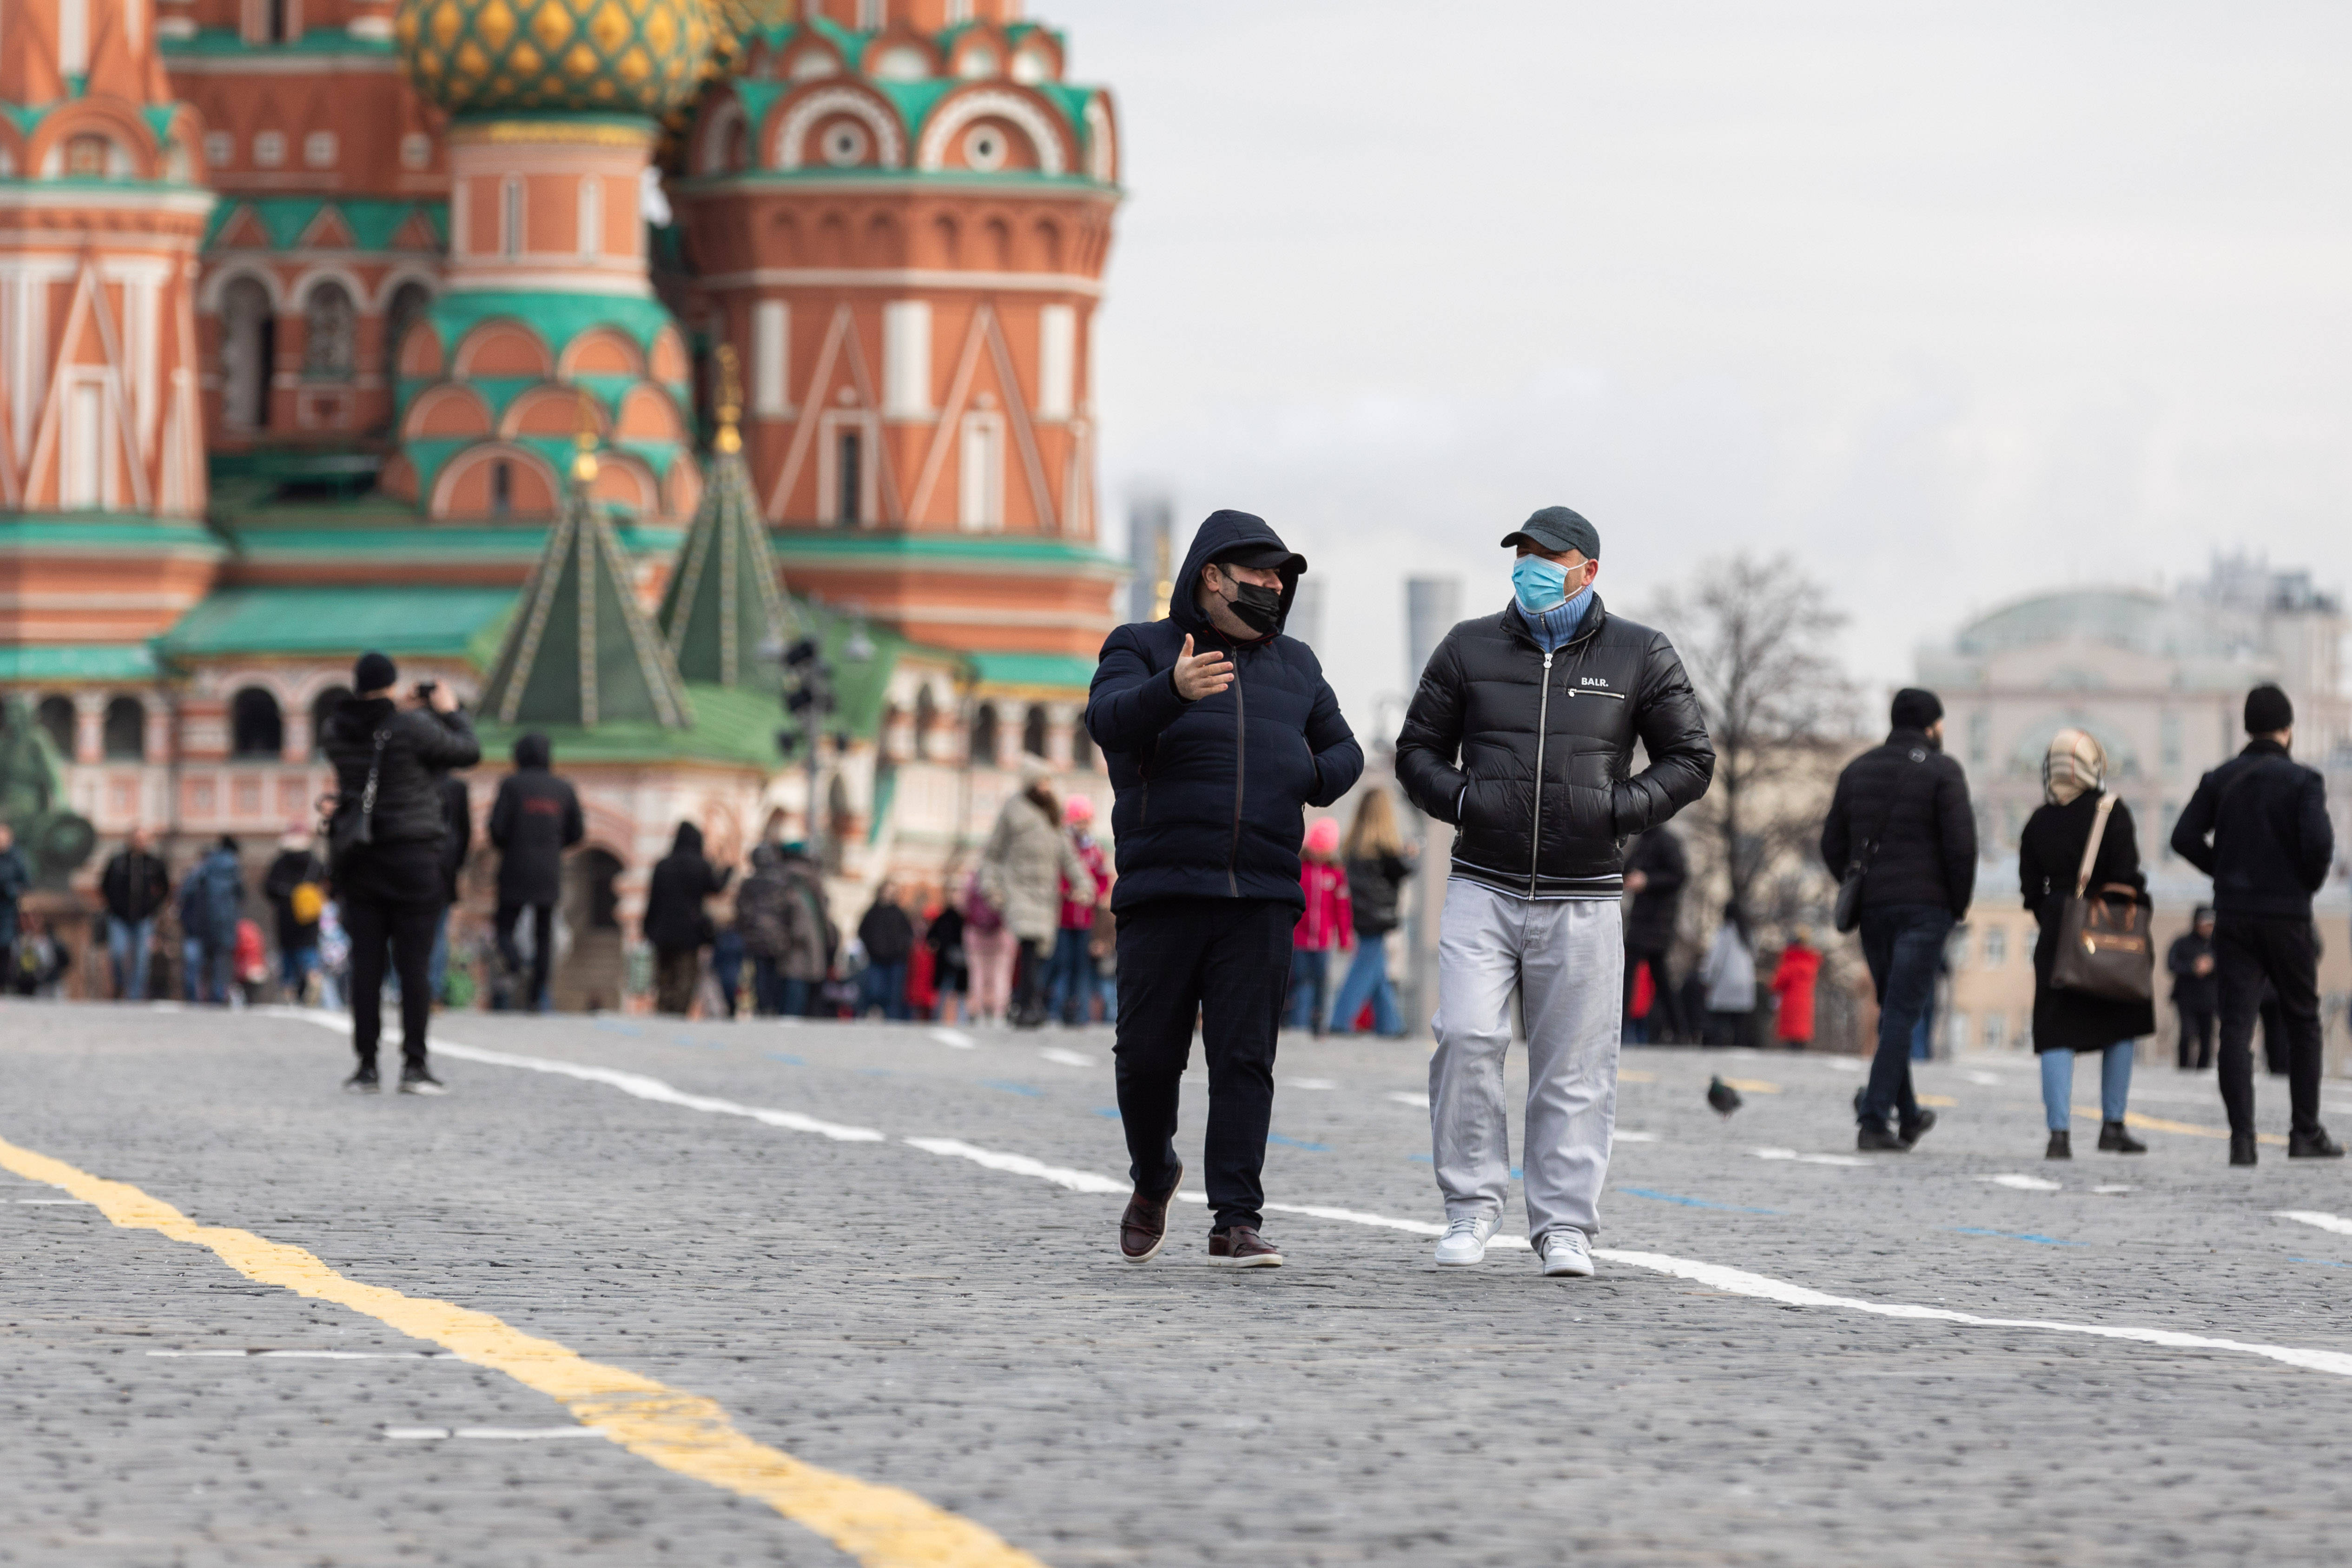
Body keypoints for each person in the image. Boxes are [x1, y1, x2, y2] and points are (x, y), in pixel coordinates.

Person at [1396, 504, 1712, 1277]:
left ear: (1588, 569)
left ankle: (1564, 1225)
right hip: (1483, 883)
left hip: (1586, 892)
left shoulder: (1640, 652)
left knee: (1573, 1066)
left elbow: (1690, 756)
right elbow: (1416, 751)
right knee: (1468, 1037)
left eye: (1548, 556)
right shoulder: (1468, 646)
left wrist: (1619, 810)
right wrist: (1467, 800)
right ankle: (1470, 1209)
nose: (1531, 567)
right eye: (1523, 554)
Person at [1088, 509, 1362, 1269]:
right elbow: (1107, 721)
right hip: (1165, 887)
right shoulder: (1140, 646)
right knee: (1147, 1057)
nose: (1275, 586)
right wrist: (1172, 690)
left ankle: (1236, 1217)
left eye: (1283, 576)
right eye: (1261, 572)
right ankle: (1153, 1173)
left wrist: (1308, 773)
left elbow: (1347, 750)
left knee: (1244, 1058)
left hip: (1263, 892)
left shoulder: (1297, 665)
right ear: (1211, 574)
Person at [2171, 684, 2339, 1164]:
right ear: (2287, 729)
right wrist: (2300, 883)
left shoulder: (2219, 778)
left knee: (2236, 1026)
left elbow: (2182, 836)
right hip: (2286, 916)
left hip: (2233, 914)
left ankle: (2241, 1140)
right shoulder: (2302, 781)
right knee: (2302, 1019)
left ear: (2246, 727)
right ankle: (2303, 1133)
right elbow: (2319, 846)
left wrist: (2222, 872)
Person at [1821, 688, 1976, 1152]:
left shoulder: (1857, 769)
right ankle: (1872, 1117)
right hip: (1925, 910)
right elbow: (1961, 847)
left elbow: (1831, 844)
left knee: (1894, 1008)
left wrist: (1859, 885)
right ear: (1931, 725)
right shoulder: (1942, 771)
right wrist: (1956, 906)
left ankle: (1907, 1116)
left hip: (1873, 910)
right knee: (1902, 1011)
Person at [321, 651, 478, 1093]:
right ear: (392, 684)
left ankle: (366, 1066)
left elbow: (375, 736)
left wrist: (399, 709)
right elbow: (467, 751)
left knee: (367, 965)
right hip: (412, 856)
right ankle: (414, 1064)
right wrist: (450, 712)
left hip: (360, 857)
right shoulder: (409, 726)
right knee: (414, 965)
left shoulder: (336, 728)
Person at [2019, 730, 2151, 1160]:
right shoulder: (2112, 811)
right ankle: (2113, 1125)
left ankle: (2059, 1135)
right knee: (2120, 1022)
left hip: (2058, 933)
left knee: (2056, 1031)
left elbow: (2029, 889)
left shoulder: (2039, 820)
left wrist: (2055, 913)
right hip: (2107, 934)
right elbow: (2127, 874)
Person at [976, 760, 1089, 1031]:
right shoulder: (1013, 811)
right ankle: (1028, 1006)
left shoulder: (1053, 815)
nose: (1046, 787)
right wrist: (992, 887)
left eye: (1049, 782)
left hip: (1046, 893)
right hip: (1019, 888)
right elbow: (993, 853)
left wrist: (1083, 884)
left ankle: (1025, 1002)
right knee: (1027, 944)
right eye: (1042, 781)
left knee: (1040, 952)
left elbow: (1068, 855)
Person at [488, 732, 582, 1013]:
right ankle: (536, 995)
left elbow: (496, 829)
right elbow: (577, 832)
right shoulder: (563, 789)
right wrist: (553, 845)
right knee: (544, 934)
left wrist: (513, 844)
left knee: (504, 927)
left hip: (515, 867)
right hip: (548, 870)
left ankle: (515, 964)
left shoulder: (511, 785)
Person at [1328, 787, 1414, 1036]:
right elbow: (1404, 871)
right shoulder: (1386, 848)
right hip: (1381, 916)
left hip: (1359, 915)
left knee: (1377, 970)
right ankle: (1340, 1020)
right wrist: (1411, 855)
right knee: (1364, 969)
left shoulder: (1353, 846)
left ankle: (1391, 1025)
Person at [645, 821, 729, 1016]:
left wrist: (647, 929)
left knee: (665, 977)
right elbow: (716, 888)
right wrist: (727, 870)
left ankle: (664, 1012)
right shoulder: (700, 865)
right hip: (689, 932)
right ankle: (678, 1013)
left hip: (662, 932)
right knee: (685, 976)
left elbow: (653, 900)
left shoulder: (663, 866)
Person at [1048, 794, 1113, 1025]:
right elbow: (1055, 875)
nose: (1082, 827)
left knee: (1082, 969)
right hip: (1063, 918)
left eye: (1085, 822)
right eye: (1078, 822)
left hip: (1086, 920)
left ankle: (1080, 1015)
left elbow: (1103, 879)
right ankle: (1058, 1011)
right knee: (1063, 966)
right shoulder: (1063, 847)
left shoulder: (1095, 851)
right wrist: (1067, 891)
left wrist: (1093, 895)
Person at [1621, 827, 1689, 1043]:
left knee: (1630, 973)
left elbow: (1679, 876)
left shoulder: (1667, 841)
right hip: (1643, 919)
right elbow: (1627, 868)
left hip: (1657, 921)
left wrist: (1648, 881)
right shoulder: (1643, 840)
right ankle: (1680, 1031)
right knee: (1659, 976)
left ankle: (1619, 1030)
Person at [1287, 817, 1351, 1034]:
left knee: (1322, 984)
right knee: (1300, 982)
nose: (1319, 854)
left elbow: (1342, 909)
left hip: (1324, 940)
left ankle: (1319, 1022)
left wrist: (1344, 937)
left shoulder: (1335, 874)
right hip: (1300, 939)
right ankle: (1297, 1022)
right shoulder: (1300, 870)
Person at [99, 827, 172, 1001]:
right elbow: (105, 885)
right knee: (117, 953)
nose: (140, 843)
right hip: (119, 918)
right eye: (137, 839)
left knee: (142, 959)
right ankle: (120, 984)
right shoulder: (118, 862)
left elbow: (165, 888)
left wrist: (153, 908)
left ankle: (135, 997)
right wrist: (113, 906)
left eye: (143, 839)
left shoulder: (154, 863)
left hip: (144, 919)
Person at [262, 827, 329, 1004]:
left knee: (289, 956)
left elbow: (268, 888)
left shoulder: (280, 863)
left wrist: (284, 895)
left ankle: (288, 990)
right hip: (309, 916)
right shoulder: (314, 863)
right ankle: (313, 974)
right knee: (309, 951)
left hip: (287, 916)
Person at [184, 836, 244, 1006]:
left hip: (203, 922)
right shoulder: (234, 868)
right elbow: (241, 895)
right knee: (222, 961)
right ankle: (219, 995)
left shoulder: (205, 866)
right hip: (226, 922)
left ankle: (197, 997)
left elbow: (186, 892)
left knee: (202, 962)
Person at [426, 774, 471, 1004]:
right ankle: (433, 992)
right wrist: (457, 865)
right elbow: (465, 832)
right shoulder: (456, 787)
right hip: (444, 869)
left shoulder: (410, 777)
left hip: (411, 864)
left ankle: (404, 989)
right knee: (438, 933)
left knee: (404, 931)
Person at [734, 844, 794, 1015]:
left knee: (760, 973)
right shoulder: (782, 882)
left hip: (755, 935)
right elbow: (788, 910)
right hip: (777, 936)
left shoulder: (749, 884)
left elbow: (742, 909)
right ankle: (772, 1006)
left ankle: (764, 1006)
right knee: (774, 972)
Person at [961, 869, 1016, 1027]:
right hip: (1002, 932)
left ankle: (978, 1013)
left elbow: (963, 905)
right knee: (1001, 974)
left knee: (977, 975)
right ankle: (999, 1013)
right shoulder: (1006, 876)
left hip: (975, 932)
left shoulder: (973, 878)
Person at [855, 881, 915, 1020]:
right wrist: (872, 948)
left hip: (896, 960)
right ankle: (871, 1014)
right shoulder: (873, 912)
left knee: (894, 995)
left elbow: (908, 935)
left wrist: (901, 948)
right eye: (888, 891)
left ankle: (892, 1021)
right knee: (874, 991)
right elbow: (863, 932)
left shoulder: (900, 913)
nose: (890, 895)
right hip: (876, 959)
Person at [1698, 904, 1756, 1047]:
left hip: (1726, 984)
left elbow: (1716, 959)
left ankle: (1718, 1048)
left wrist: (1707, 978)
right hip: (1745, 985)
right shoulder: (1747, 935)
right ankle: (1739, 1050)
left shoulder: (1725, 932)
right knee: (1740, 1025)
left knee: (1719, 1020)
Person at [2168, 906, 2218, 1072]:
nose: (2207, 928)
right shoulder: (2182, 943)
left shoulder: (2218, 946)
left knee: (2206, 1038)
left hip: (2210, 1000)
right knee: (2187, 1035)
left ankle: (2202, 1070)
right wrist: (2193, 967)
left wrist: (2212, 966)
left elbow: (2231, 967)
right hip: (2186, 998)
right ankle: (2184, 1069)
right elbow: (2172, 964)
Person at [1770, 929, 1821, 1051]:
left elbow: (1777, 983)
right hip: (1805, 1003)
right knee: (1800, 1034)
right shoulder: (1811, 963)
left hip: (1790, 1003)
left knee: (1791, 1038)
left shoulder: (1790, 963)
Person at [925, 892, 968, 1023]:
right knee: (946, 991)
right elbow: (931, 938)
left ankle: (961, 1019)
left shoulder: (965, 918)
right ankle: (939, 1018)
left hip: (959, 961)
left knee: (958, 993)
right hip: (946, 962)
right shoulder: (944, 918)